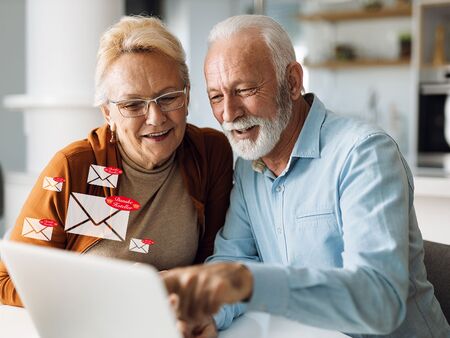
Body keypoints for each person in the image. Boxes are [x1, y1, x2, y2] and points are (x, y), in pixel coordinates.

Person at [163, 15, 450, 338]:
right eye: (216, 97)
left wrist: (249, 284)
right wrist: (210, 313)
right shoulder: (250, 166)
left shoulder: (364, 154)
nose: (228, 114)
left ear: (293, 82)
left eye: (244, 89)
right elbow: (234, 258)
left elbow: (378, 301)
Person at [0, 16, 233, 307]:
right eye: (133, 104)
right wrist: (111, 290)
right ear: (108, 113)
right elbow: (6, 280)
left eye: (168, 97)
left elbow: (215, 259)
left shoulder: (210, 152)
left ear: (186, 96)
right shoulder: (74, 169)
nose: (155, 118)